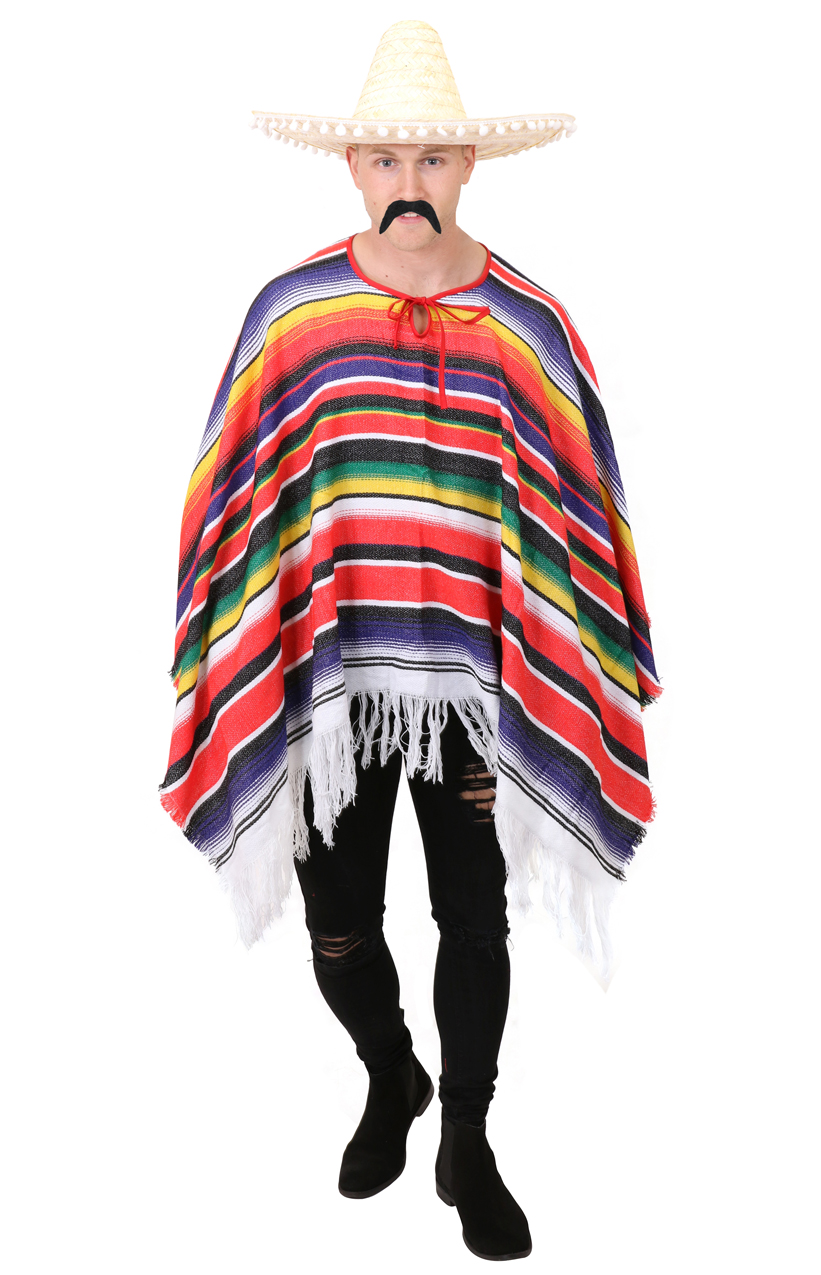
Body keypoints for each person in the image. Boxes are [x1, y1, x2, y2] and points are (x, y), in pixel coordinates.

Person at [160, 20, 661, 1263]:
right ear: (352, 170)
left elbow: (581, 508)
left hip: (480, 690)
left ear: (468, 168)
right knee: (337, 926)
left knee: (474, 922)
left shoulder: (526, 325)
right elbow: (231, 496)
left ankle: (468, 1141)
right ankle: (391, 1073)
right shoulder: (293, 318)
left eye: (432, 158)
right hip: (331, 685)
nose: (408, 183)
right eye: (385, 159)